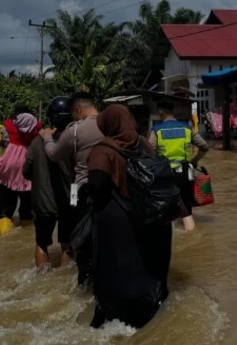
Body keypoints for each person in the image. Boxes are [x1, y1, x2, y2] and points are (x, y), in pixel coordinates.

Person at [87, 104, 172, 329]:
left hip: (118, 224)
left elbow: (96, 185)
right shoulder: (144, 143)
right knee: (148, 266)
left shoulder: (102, 150)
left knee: (117, 270)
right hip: (151, 217)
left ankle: (116, 319)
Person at [39, 92, 104, 289]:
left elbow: (53, 155)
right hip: (112, 189)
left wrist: (47, 138)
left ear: (77, 110)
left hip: (83, 190)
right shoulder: (111, 124)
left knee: (79, 238)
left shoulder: (75, 131)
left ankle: (84, 283)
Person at [23, 97, 74, 270]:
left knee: (42, 243)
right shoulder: (74, 139)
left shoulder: (37, 141)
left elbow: (26, 171)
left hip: (43, 203)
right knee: (67, 242)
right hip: (69, 200)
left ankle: (42, 281)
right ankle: (63, 279)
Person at [149, 100, 209, 231]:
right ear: (174, 112)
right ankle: (191, 233)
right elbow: (204, 146)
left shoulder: (157, 130)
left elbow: (150, 152)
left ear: (160, 113)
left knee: (168, 209)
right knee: (186, 208)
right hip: (186, 174)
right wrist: (194, 160)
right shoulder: (187, 128)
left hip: (166, 176)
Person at [0, 105, 41, 232]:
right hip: (29, 174)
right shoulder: (39, 130)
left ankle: (4, 235)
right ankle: (25, 231)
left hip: (8, 174)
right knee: (27, 209)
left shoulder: (4, 129)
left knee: (6, 207)